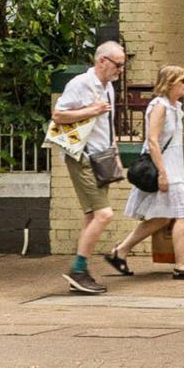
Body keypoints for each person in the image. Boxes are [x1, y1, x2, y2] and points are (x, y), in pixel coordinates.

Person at [104, 65, 184, 281]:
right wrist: (162, 173)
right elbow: (152, 141)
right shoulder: (160, 106)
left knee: (162, 218)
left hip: (174, 166)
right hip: (166, 167)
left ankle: (120, 251)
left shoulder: (175, 106)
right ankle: (181, 266)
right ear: (170, 83)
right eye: (183, 80)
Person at [52, 41, 126, 294]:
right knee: (104, 214)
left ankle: (80, 272)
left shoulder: (109, 88)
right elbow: (58, 116)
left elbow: (108, 125)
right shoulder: (80, 84)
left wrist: (115, 152)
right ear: (102, 61)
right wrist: (91, 110)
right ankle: (78, 270)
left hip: (101, 157)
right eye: (118, 64)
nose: (120, 70)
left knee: (92, 216)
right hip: (81, 156)